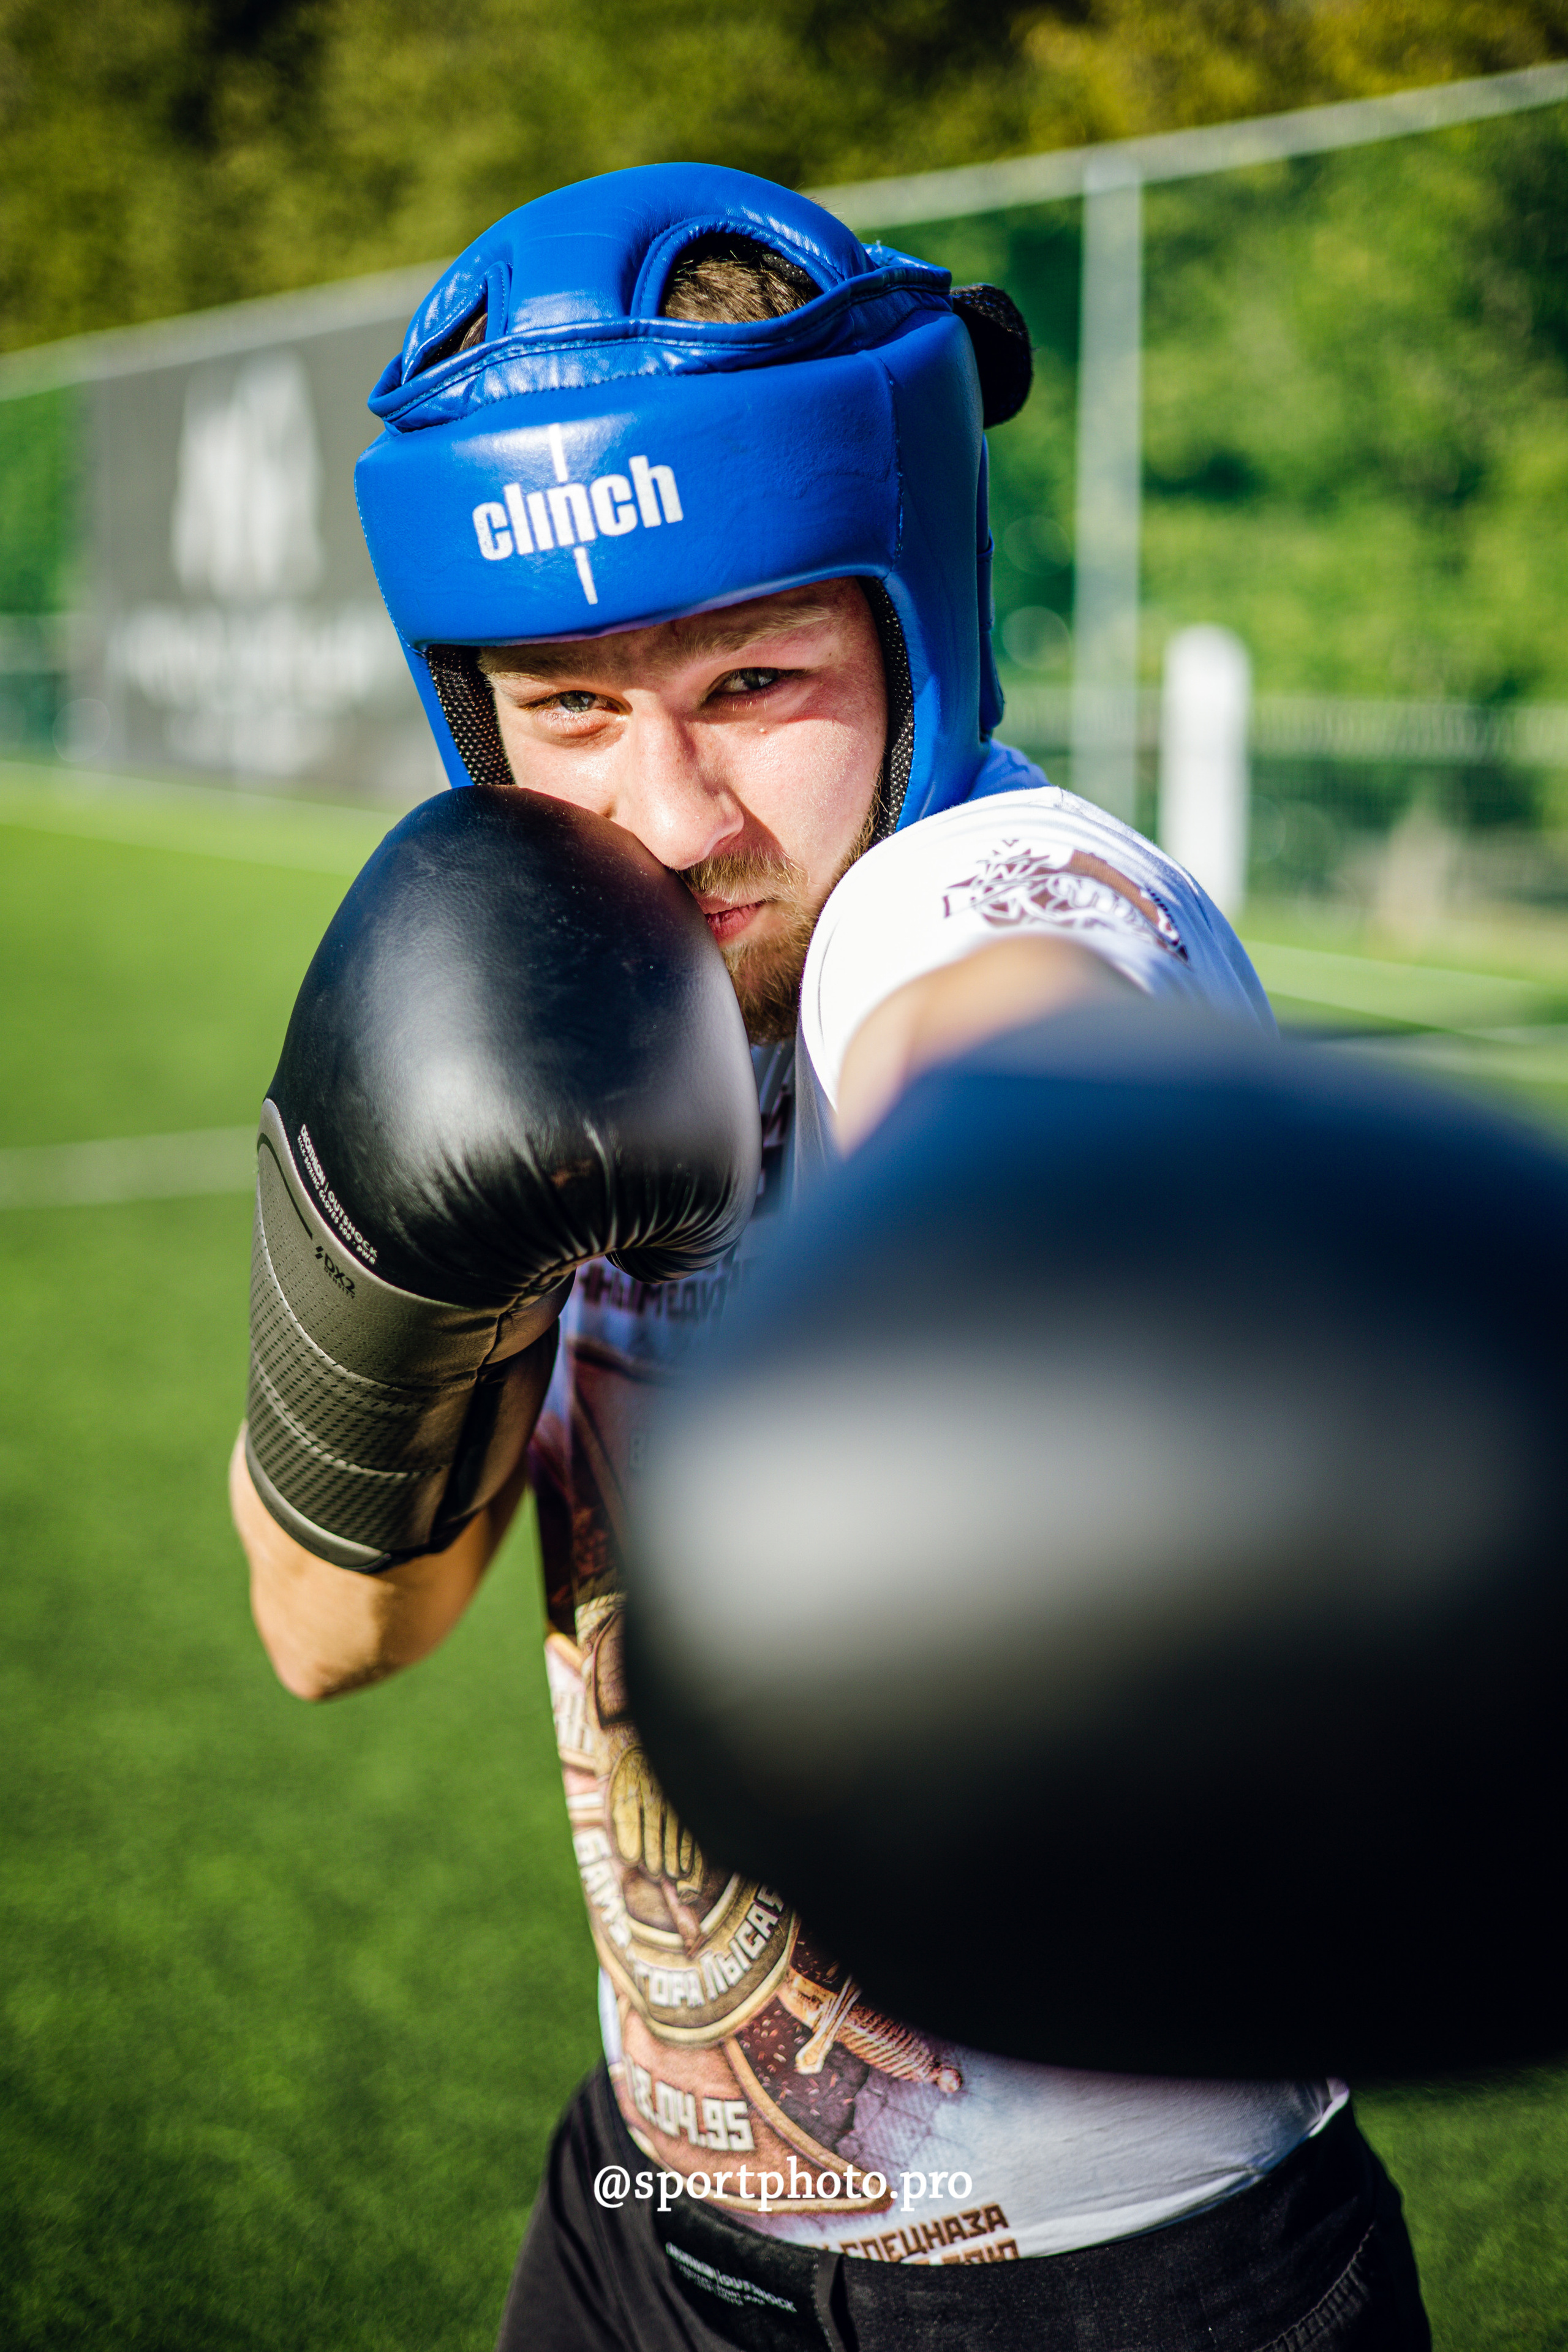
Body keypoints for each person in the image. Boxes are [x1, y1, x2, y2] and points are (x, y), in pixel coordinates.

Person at [231, 164, 1430, 2350]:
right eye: (569, 712)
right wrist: (394, 1282)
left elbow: (1018, 1041)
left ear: (916, 630)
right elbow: (333, 1631)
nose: (676, 816)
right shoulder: (531, 1007)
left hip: (1131, 2303)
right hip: (633, 2244)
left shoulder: (984, 891)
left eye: (757, 677)